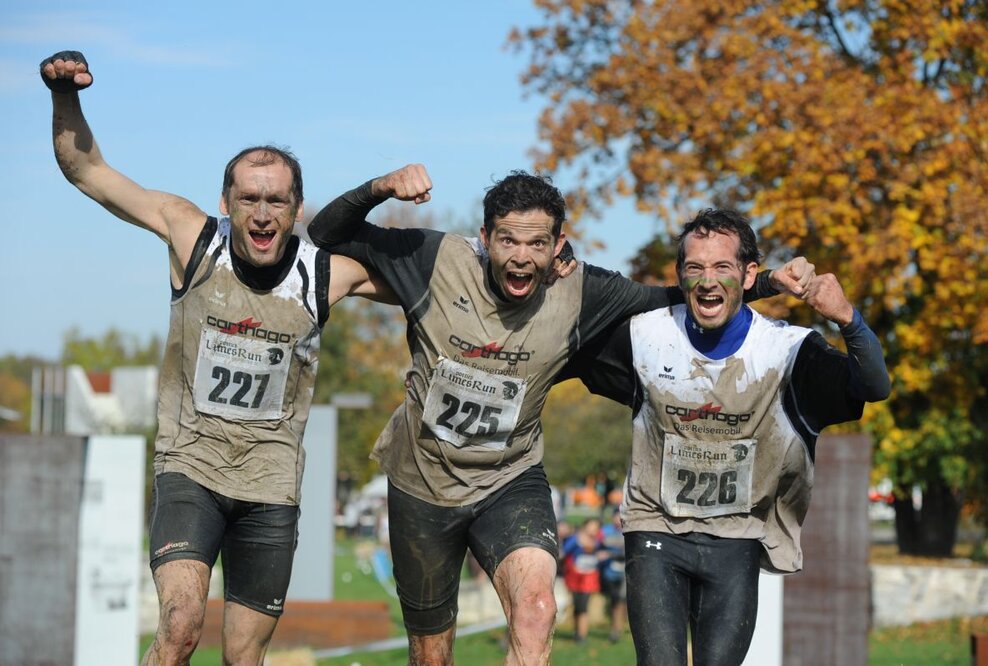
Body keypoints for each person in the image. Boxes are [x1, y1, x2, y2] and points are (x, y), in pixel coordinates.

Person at [306, 165, 814, 665]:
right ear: (484, 238)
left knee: (537, 610)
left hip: (509, 479)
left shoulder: (580, 291)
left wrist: (769, 281)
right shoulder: (435, 258)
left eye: (537, 244)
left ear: (558, 246)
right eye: (508, 241)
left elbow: (677, 297)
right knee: (432, 655)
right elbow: (326, 234)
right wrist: (379, 188)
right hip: (422, 482)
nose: (521, 258)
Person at [41, 51, 394, 665]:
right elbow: (87, 171)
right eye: (249, 198)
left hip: (270, 484)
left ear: (297, 209)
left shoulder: (323, 275)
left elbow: (433, 288)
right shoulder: (192, 237)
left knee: (242, 656)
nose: (262, 214)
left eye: (277, 201)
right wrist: (64, 96)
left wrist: (532, 264)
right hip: (191, 468)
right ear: (226, 202)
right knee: (180, 627)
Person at [560, 208, 891, 665]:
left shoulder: (786, 352)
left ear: (749, 274)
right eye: (694, 268)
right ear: (680, 275)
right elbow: (564, 349)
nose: (707, 281)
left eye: (722, 267)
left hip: (737, 534)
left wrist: (848, 320)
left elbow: (873, 386)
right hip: (656, 527)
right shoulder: (645, 337)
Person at [560, 518, 602, 644]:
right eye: (591, 526)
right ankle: (576, 632)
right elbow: (565, 551)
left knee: (583, 605)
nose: (593, 529)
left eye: (596, 527)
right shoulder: (575, 539)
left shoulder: (598, 540)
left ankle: (582, 635)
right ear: (585, 526)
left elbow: (602, 552)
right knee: (577, 604)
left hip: (589, 577)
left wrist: (600, 555)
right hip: (574, 576)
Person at [597, 507, 627, 643]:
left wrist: (610, 553)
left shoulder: (629, 531)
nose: (618, 519)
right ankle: (615, 628)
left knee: (620, 600)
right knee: (614, 601)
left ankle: (617, 629)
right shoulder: (604, 531)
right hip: (609, 572)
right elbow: (597, 547)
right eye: (616, 516)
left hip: (625, 571)